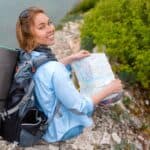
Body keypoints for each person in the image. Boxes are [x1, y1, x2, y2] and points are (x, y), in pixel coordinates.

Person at [16, 7, 122, 143]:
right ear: (30, 35)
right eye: (42, 27)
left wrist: (71, 58)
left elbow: (46, 73)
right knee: (98, 95)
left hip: (41, 120)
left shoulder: (28, 57)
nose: (50, 29)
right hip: (59, 129)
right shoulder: (54, 69)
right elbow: (80, 106)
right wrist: (109, 90)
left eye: (49, 23)